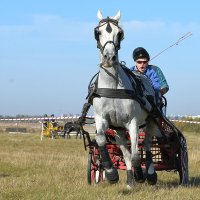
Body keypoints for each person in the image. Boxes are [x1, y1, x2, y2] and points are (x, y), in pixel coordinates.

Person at [130, 47, 169, 113]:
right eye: (139, 62)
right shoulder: (130, 71)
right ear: (135, 62)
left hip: (155, 104)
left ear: (148, 62)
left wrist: (158, 94)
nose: (142, 65)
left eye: (144, 62)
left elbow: (165, 86)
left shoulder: (155, 69)